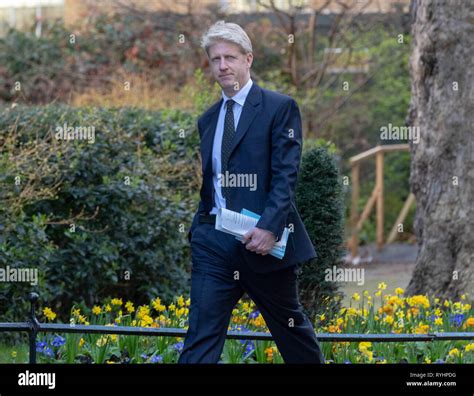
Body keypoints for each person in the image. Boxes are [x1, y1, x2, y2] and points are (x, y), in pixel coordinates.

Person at [178, 21, 325, 364]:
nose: (223, 66)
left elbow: (286, 175)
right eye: (215, 59)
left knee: (292, 332)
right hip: (214, 243)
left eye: (230, 57)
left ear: (248, 59)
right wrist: (200, 230)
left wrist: (270, 227)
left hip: (262, 243)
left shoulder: (278, 108)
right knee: (200, 335)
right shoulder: (209, 120)